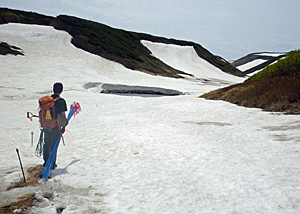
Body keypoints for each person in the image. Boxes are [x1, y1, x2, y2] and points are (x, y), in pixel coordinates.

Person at [43, 82, 68, 169]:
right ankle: (52, 164)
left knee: (46, 144)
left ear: (53, 89)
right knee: (54, 145)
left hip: (46, 125)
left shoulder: (46, 101)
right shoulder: (61, 101)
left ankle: (45, 162)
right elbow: (62, 115)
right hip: (56, 126)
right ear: (61, 91)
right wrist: (64, 126)